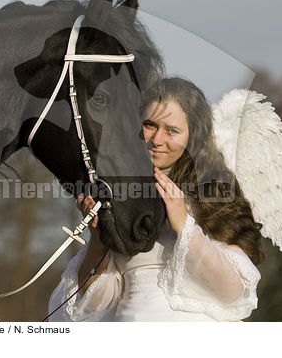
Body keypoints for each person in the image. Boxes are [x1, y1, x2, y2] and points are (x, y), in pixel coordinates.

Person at [48, 77, 264, 321]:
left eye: (172, 130)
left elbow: (231, 291)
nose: (157, 140)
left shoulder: (215, 192)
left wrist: (183, 224)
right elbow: (97, 305)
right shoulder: (117, 193)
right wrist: (98, 240)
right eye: (150, 125)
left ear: (192, 137)